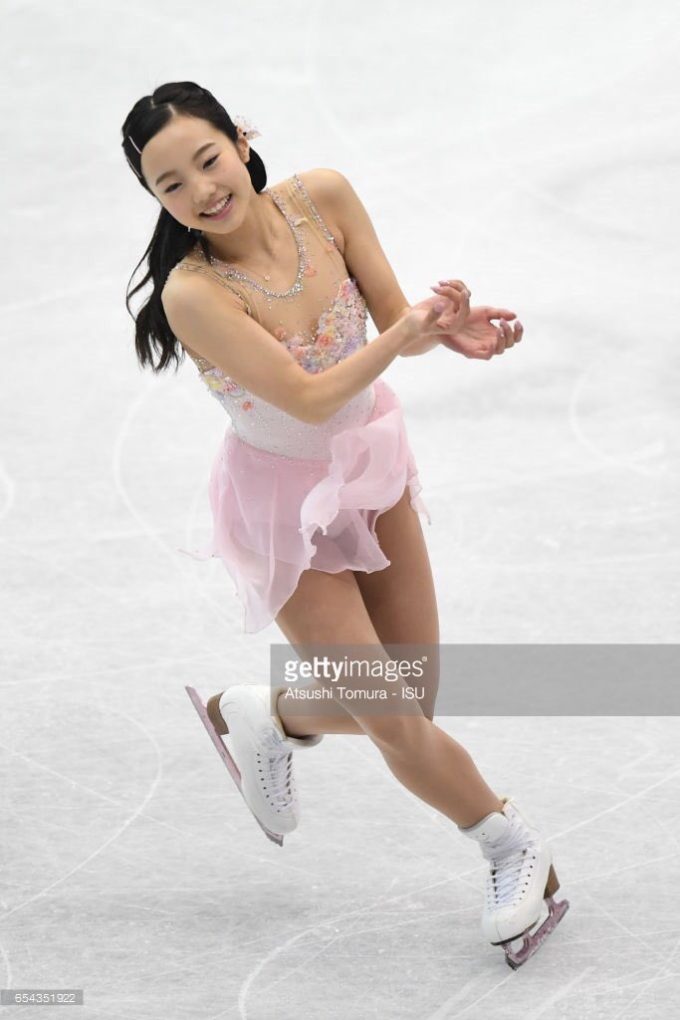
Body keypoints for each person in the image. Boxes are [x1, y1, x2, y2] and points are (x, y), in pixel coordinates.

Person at [121, 80, 568, 968]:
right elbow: (310, 395)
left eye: (207, 160)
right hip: (284, 509)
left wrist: (449, 331)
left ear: (240, 138)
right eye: (171, 184)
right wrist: (405, 335)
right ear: (156, 198)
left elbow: (395, 317)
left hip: (370, 466)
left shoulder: (322, 198)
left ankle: (268, 714)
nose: (202, 190)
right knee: (398, 724)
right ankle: (514, 847)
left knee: (411, 699)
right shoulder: (192, 294)